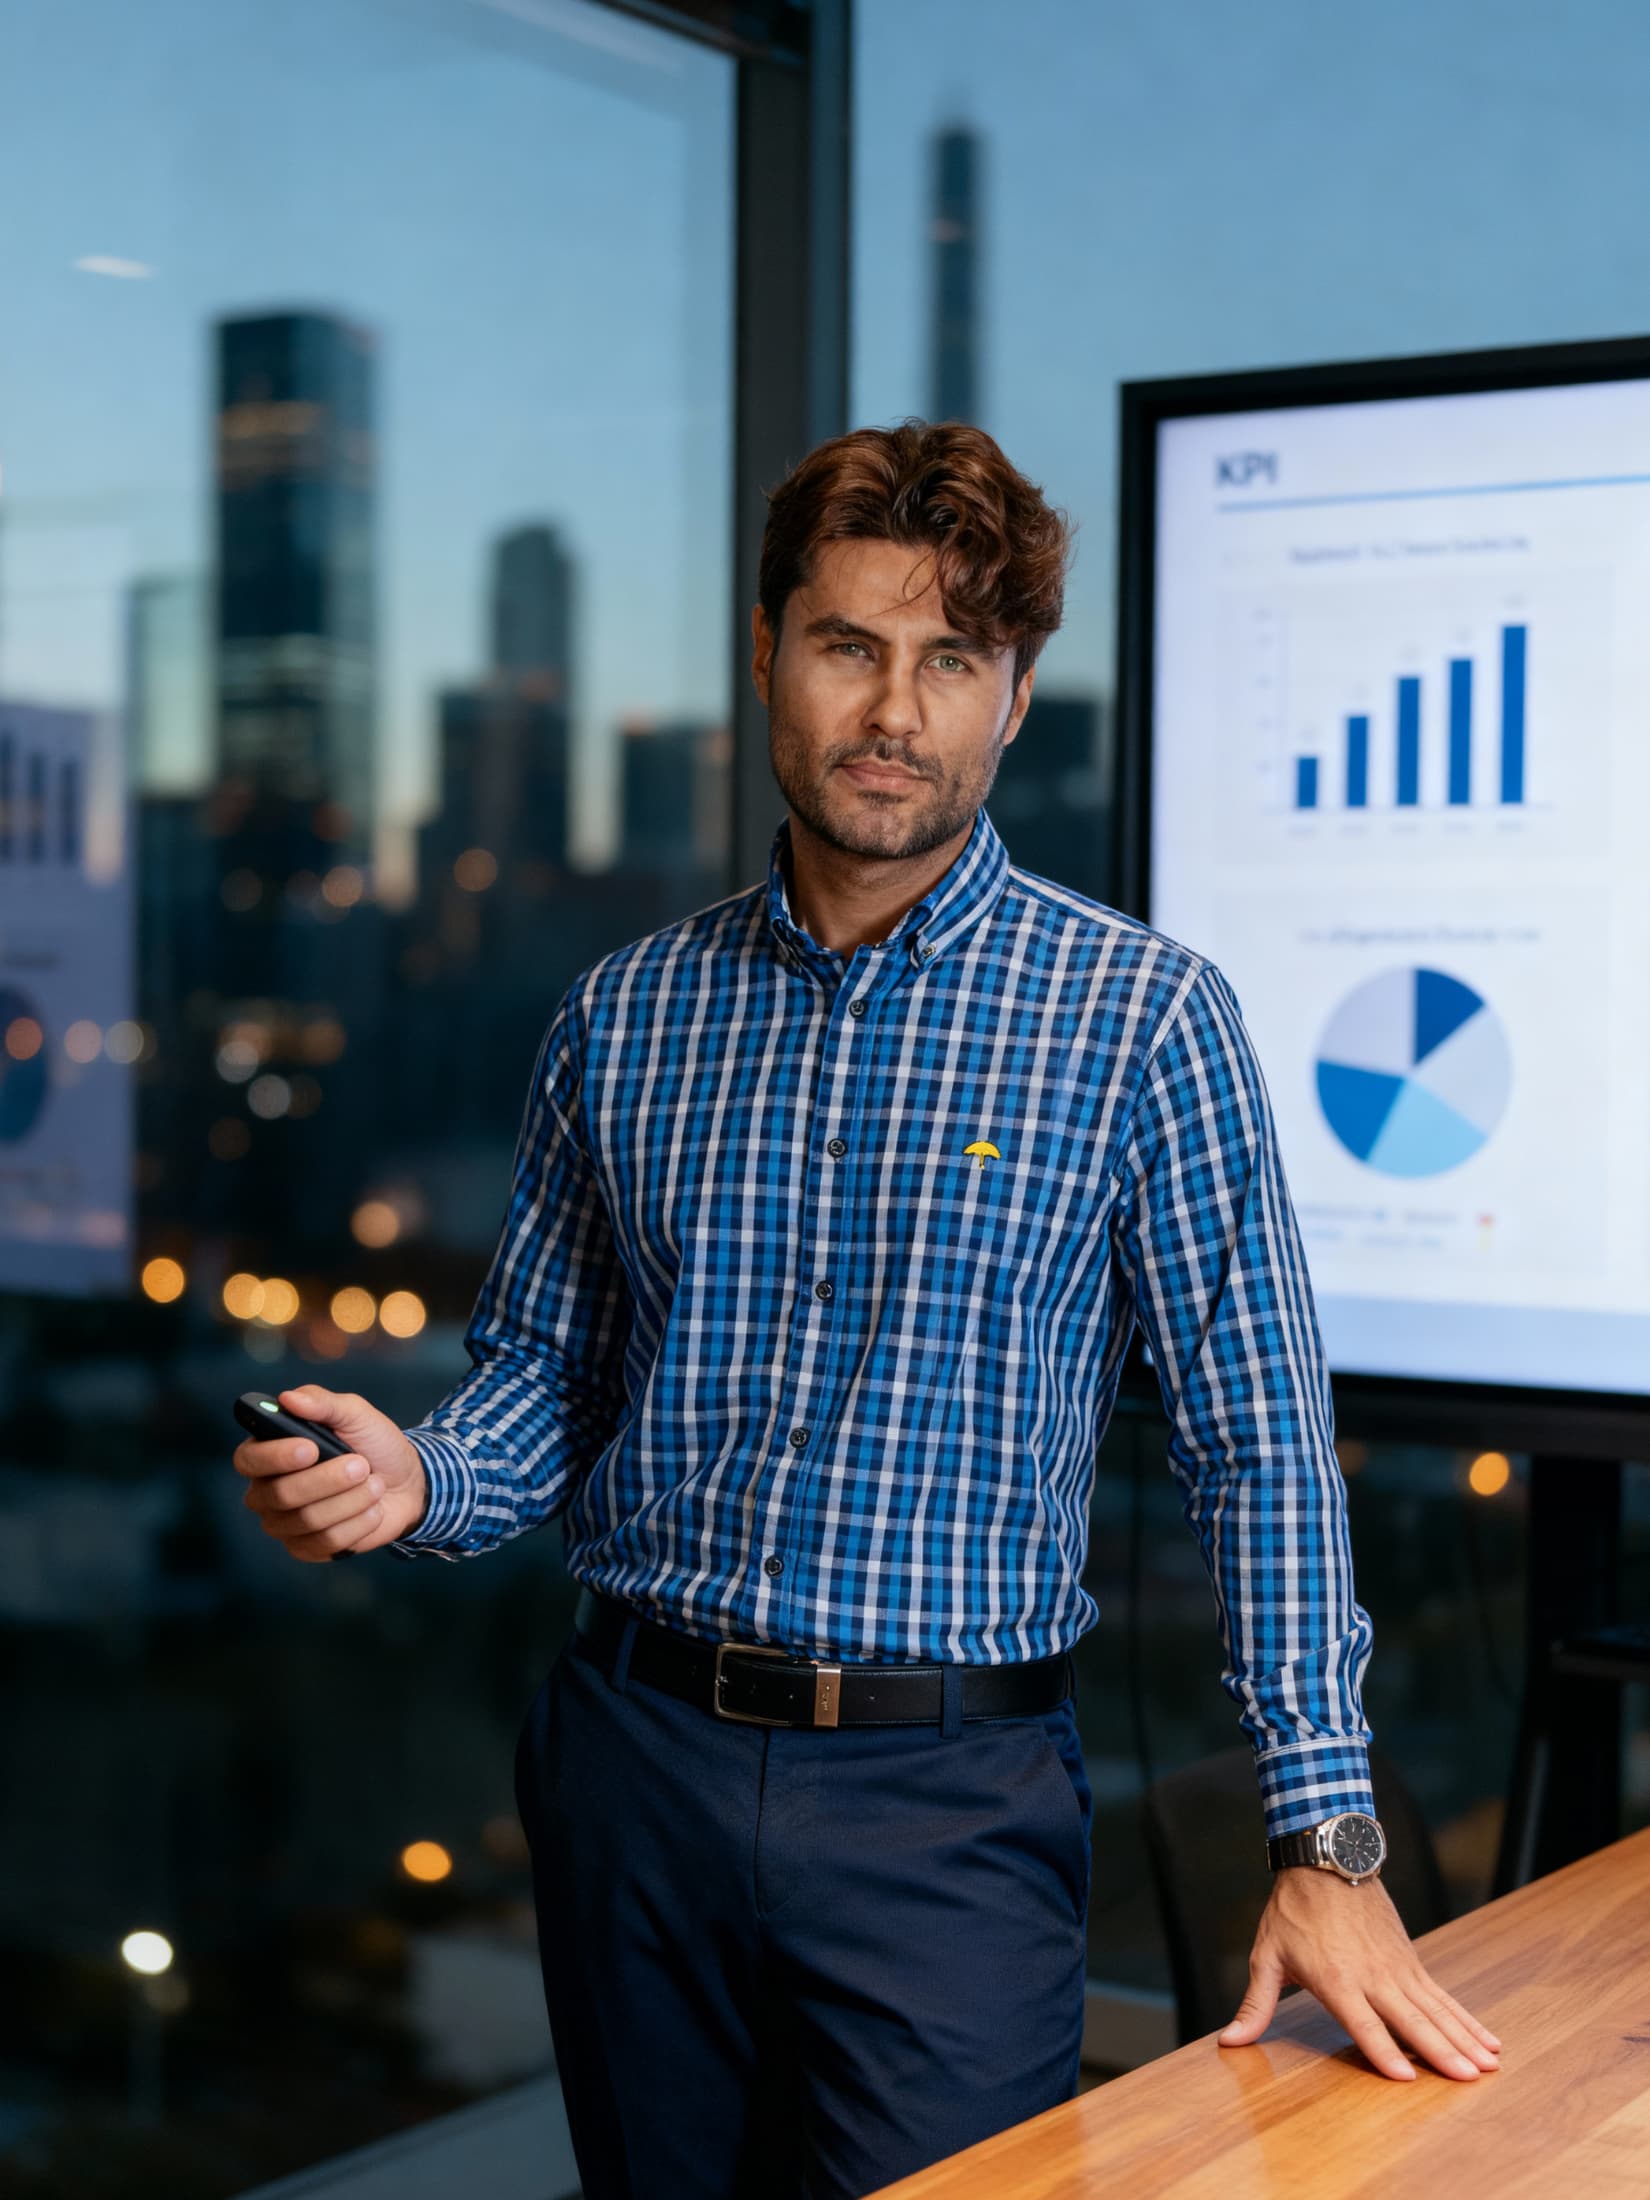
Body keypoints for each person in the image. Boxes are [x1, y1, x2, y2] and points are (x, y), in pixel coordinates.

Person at [232, 419, 1502, 2198]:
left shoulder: (1140, 1017)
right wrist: (416, 1478)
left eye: (952, 661)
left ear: (1014, 693)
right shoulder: (624, 1015)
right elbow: (554, 1376)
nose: (895, 710)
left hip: (947, 1810)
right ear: (768, 651)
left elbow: (1259, 1447)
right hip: (632, 1769)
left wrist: (1328, 1837)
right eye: (848, 645)